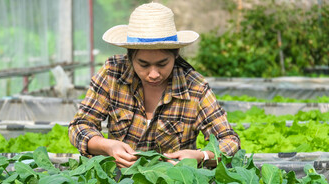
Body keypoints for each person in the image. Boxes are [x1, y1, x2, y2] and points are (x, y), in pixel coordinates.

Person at [68, 2, 240, 168]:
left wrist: (201, 156)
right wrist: (107, 146)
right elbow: (80, 126)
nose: (153, 74)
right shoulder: (113, 73)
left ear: (176, 54)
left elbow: (229, 142)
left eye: (162, 64)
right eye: (143, 64)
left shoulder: (195, 87)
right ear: (130, 56)